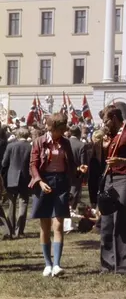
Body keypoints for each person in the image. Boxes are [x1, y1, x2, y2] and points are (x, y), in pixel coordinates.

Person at [29, 114, 78, 277]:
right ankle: (47, 264)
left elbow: (71, 164)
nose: (63, 132)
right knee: (45, 225)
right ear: (53, 128)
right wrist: (39, 182)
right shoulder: (39, 142)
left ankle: (57, 264)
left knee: (58, 224)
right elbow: (33, 165)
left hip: (61, 183)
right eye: (60, 129)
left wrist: (79, 170)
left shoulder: (66, 143)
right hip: (43, 182)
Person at [100, 107, 126, 275]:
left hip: (123, 179)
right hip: (108, 179)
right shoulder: (110, 137)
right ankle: (108, 264)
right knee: (106, 221)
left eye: (106, 121)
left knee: (122, 220)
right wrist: (104, 148)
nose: (104, 124)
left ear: (114, 118)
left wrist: (122, 161)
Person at [1, 127, 31, 237]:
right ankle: (20, 230)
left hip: (11, 177)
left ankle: (11, 229)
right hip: (25, 178)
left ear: (18, 135)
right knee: (23, 203)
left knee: (11, 204)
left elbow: (4, 163)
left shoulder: (11, 146)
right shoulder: (30, 147)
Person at [68, 125, 88, 209]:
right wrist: (84, 177)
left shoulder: (65, 143)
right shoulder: (81, 145)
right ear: (79, 134)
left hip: (64, 173)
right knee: (74, 197)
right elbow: (83, 163)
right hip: (76, 174)